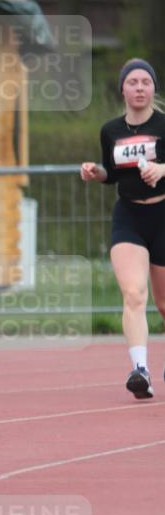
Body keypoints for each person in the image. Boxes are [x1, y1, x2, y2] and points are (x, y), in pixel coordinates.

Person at [81, 58, 165, 398]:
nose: (140, 88)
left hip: (163, 215)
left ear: (154, 88)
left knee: (164, 303)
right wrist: (95, 171)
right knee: (133, 294)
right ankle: (140, 371)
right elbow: (112, 174)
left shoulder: (164, 125)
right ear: (123, 89)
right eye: (133, 82)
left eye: (146, 82)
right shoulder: (110, 130)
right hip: (128, 216)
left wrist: (162, 170)